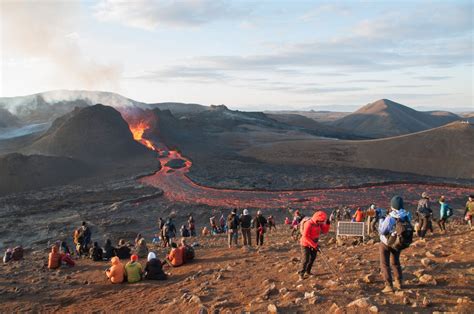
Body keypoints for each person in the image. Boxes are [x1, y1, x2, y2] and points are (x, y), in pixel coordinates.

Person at [379, 196, 411, 293]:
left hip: (387, 243)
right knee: (396, 262)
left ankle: (388, 285)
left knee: (384, 264)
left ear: (392, 205)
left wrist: (381, 220)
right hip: (398, 243)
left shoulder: (391, 217)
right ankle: (399, 282)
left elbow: (382, 230)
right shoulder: (406, 215)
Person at [298, 211, 330, 280]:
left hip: (314, 243)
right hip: (305, 243)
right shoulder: (308, 224)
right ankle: (301, 273)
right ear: (317, 219)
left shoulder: (318, 223)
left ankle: (308, 271)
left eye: (323, 221)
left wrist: (327, 224)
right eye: (321, 221)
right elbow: (305, 237)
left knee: (312, 258)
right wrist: (315, 246)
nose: (322, 223)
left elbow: (325, 231)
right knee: (305, 259)